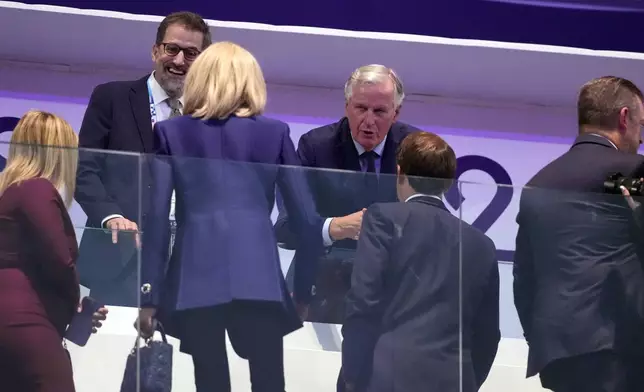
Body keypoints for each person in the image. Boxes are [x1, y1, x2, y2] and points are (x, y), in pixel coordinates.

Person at [136, 41, 323, 392]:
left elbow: (158, 218)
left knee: (210, 383)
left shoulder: (171, 132)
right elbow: (309, 220)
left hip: (196, 278)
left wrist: (149, 295)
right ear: (252, 81)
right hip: (260, 277)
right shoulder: (275, 132)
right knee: (269, 383)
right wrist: (303, 293)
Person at [340, 131, 500, 392]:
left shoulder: (382, 218)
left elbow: (363, 303)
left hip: (386, 376)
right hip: (453, 380)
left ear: (400, 172)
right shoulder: (481, 244)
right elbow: (488, 334)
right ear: (449, 183)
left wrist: (352, 375)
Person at [513, 76, 644, 392]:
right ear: (624, 118)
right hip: (621, 352)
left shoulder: (536, 183)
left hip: (557, 354)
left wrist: (542, 339)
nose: (640, 139)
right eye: (642, 124)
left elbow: (523, 278)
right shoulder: (635, 171)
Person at [74, 11, 211, 305]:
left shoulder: (210, 116)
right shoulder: (112, 98)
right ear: (155, 51)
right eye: (171, 49)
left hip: (187, 266)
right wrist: (111, 217)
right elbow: (83, 169)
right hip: (121, 256)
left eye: (190, 53)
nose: (178, 61)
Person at [275, 64, 421, 324]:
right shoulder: (316, 146)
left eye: (379, 112)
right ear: (346, 106)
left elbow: (428, 223)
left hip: (390, 288)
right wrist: (334, 228)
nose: (368, 121)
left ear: (396, 113)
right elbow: (286, 227)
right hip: (321, 282)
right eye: (360, 108)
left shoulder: (414, 147)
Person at [0, 110, 108, 392]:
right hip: (26, 321)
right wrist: (78, 307)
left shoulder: (13, 190)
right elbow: (60, 259)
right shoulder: (36, 189)